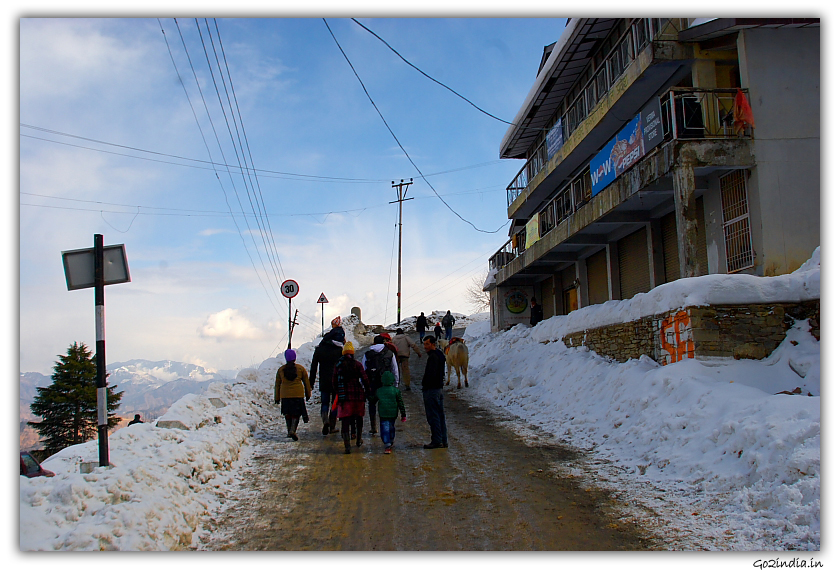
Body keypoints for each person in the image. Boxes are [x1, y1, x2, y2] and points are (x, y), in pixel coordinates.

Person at [310, 316, 345, 435]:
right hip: (336, 380)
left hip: (324, 379)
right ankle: (332, 426)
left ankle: (325, 420)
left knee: (324, 402)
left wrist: (311, 383)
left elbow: (314, 367)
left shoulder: (319, 349)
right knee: (334, 403)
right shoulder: (339, 350)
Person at [332, 342, 369, 454]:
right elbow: (365, 379)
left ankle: (347, 445)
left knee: (345, 421)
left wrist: (338, 392)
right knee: (359, 418)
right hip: (357, 395)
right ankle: (358, 439)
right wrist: (367, 391)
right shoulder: (357, 364)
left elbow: (334, 381)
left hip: (344, 397)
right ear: (352, 353)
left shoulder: (338, 365)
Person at [360, 335, 399, 435]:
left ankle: (373, 426)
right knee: (385, 406)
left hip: (371, 384)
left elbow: (363, 370)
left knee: (372, 405)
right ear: (383, 342)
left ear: (374, 343)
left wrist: (363, 384)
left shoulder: (367, 354)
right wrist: (396, 383)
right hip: (385, 385)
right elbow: (395, 369)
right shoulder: (390, 353)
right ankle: (385, 428)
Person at [274, 349, 312, 441]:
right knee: (296, 413)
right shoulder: (300, 369)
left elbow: (277, 385)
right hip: (298, 395)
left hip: (285, 395)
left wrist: (277, 397)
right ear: (295, 358)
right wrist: (308, 394)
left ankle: (289, 430)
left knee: (287, 413)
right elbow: (307, 383)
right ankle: (293, 430)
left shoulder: (281, 370)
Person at [421, 335, 448, 449]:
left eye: (427, 344)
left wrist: (426, 385)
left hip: (432, 390)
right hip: (438, 389)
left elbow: (431, 375)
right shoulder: (440, 355)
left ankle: (437, 440)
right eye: (424, 344)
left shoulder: (433, 357)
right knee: (440, 415)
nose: (425, 347)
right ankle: (443, 439)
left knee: (433, 416)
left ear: (433, 344)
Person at [371, 371, 406, 454]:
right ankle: (391, 440)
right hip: (393, 414)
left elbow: (373, 400)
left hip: (383, 414)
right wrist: (403, 414)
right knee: (391, 427)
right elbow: (401, 403)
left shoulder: (379, 391)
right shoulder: (396, 391)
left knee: (384, 428)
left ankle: (387, 444)